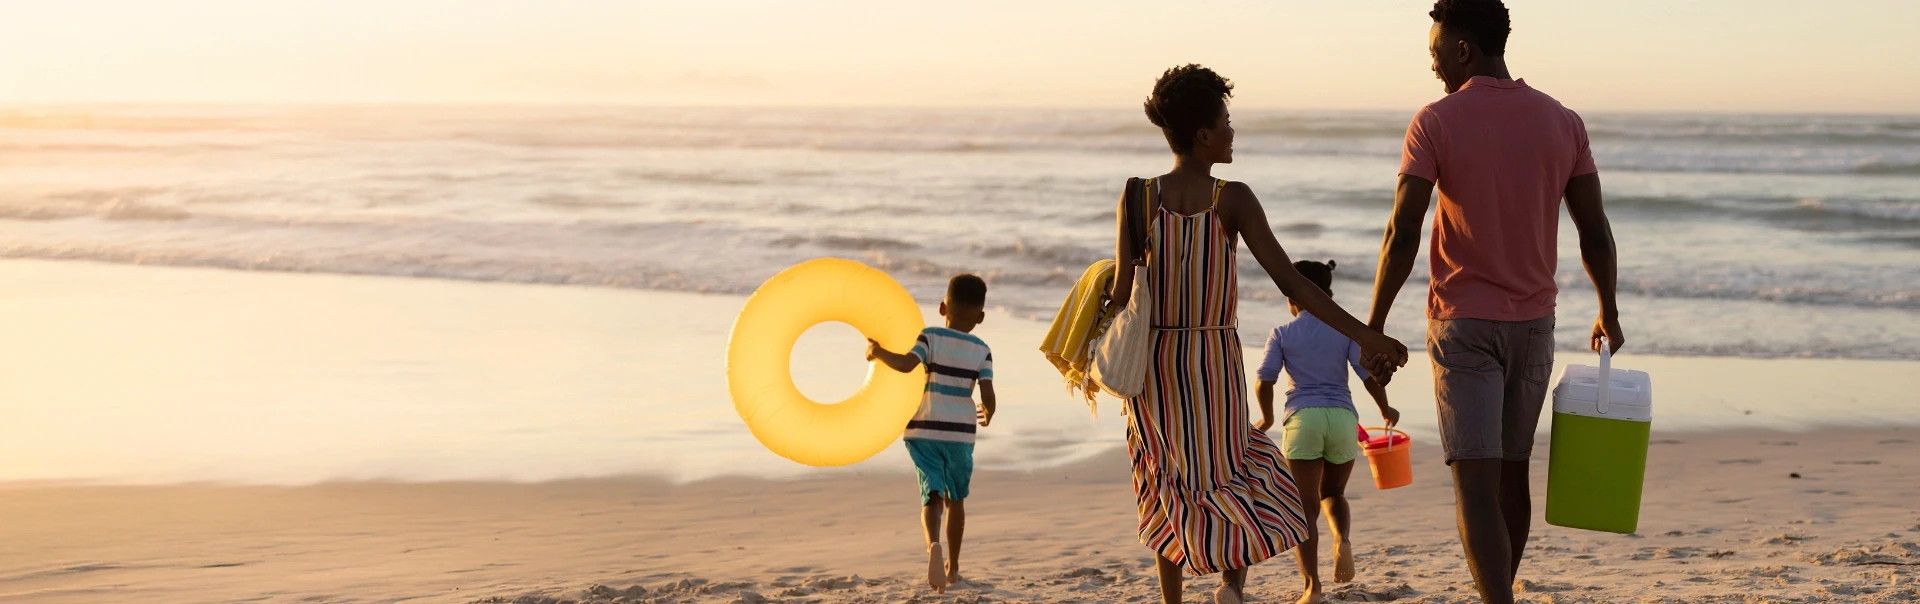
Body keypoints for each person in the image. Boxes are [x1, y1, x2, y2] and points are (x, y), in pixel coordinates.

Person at [1115, 64, 1408, 604]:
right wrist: (1366, 335)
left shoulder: (1136, 196)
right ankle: (1230, 582)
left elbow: (1119, 295)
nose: (1232, 130)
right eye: (1226, 121)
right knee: (1237, 468)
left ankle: (1172, 600)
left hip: (1153, 367)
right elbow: (1294, 282)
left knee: (1165, 478)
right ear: (1204, 135)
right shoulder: (1233, 198)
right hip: (1211, 359)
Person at [1363, 2, 1623, 602]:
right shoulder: (1564, 121)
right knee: (1512, 472)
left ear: (1462, 49)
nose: (1432, 66)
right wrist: (1608, 308)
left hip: (1464, 327)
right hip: (1536, 325)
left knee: (1475, 486)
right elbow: (1594, 229)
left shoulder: (1435, 121)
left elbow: (1401, 232)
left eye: (1435, 52)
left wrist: (1373, 326)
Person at [1253, 260, 1401, 604]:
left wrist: (1267, 417)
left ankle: (1312, 588)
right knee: (1333, 492)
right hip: (1342, 419)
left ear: (1293, 298)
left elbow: (1265, 380)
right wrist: (1385, 408)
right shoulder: (1344, 332)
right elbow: (1368, 375)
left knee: (1304, 510)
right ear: (1329, 296)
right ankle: (1343, 539)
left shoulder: (1282, 333)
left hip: (1303, 419)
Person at [866, 274, 998, 594]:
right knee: (956, 499)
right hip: (960, 434)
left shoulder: (930, 337)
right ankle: (952, 567)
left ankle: (932, 547)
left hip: (923, 429)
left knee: (932, 494)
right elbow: (988, 392)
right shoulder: (982, 350)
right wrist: (988, 412)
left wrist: (878, 352)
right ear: (980, 317)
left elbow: (906, 365)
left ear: (943, 308)